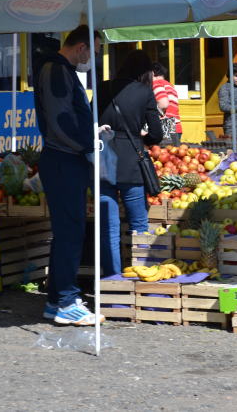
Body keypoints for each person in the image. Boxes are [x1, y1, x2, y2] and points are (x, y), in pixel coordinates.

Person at [33, 25, 104, 326]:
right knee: (71, 233)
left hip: (65, 160)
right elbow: (61, 121)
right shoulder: (56, 70)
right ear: (81, 48)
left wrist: (92, 133)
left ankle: (55, 301)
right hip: (63, 161)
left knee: (68, 233)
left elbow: (65, 118)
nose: (94, 59)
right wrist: (89, 142)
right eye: (95, 52)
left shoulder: (58, 69)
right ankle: (66, 303)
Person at [93, 50, 164, 277]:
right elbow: (156, 135)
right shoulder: (145, 92)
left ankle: (112, 281)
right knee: (139, 227)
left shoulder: (102, 88)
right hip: (132, 164)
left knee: (109, 230)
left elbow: (88, 120)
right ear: (145, 73)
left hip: (103, 164)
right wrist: (140, 135)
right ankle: (141, 279)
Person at [152, 62, 183, 141]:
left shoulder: (156, 84)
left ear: (151, 73)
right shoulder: (169, 86)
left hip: (164, 128)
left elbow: (163, 104)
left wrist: (149, 112)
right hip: (176, 128)